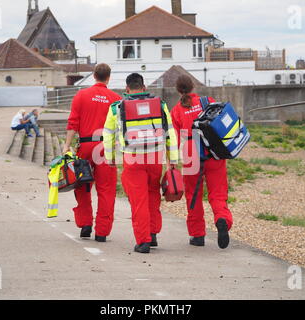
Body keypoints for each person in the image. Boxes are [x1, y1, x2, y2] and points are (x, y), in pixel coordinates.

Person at [103, 73, 179, 254]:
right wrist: (173, 159)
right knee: (153, 196)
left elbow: (107, 134)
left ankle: (143, 241)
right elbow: (170, 133)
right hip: (155, 157)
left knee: (139, 201)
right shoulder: (160, 105)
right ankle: (152, 234)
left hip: (132, 158)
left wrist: (110, 158)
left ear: (127, 89)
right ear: (144, 87)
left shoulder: (116, 108)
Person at [170, 75, 233, 249]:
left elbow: (175, 138)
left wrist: (172, 162)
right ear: (193, 86)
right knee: (218, 192)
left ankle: (197, 236)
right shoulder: (207, 101)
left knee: (193, 195)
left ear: (178, 90)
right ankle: (222, 219)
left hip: (191, 152)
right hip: (213, 149)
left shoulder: (176, 110)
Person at [63, 63, 121, 243]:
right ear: (108, 78)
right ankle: (102, 232)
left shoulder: (81, 95)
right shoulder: (116, 99)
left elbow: (73, 122)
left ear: (94, 76)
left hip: (86, 147)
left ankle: (85, 224)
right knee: (106, 189)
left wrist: (66, 145)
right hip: (106, 149)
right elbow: (120, 128)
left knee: (82, 186)